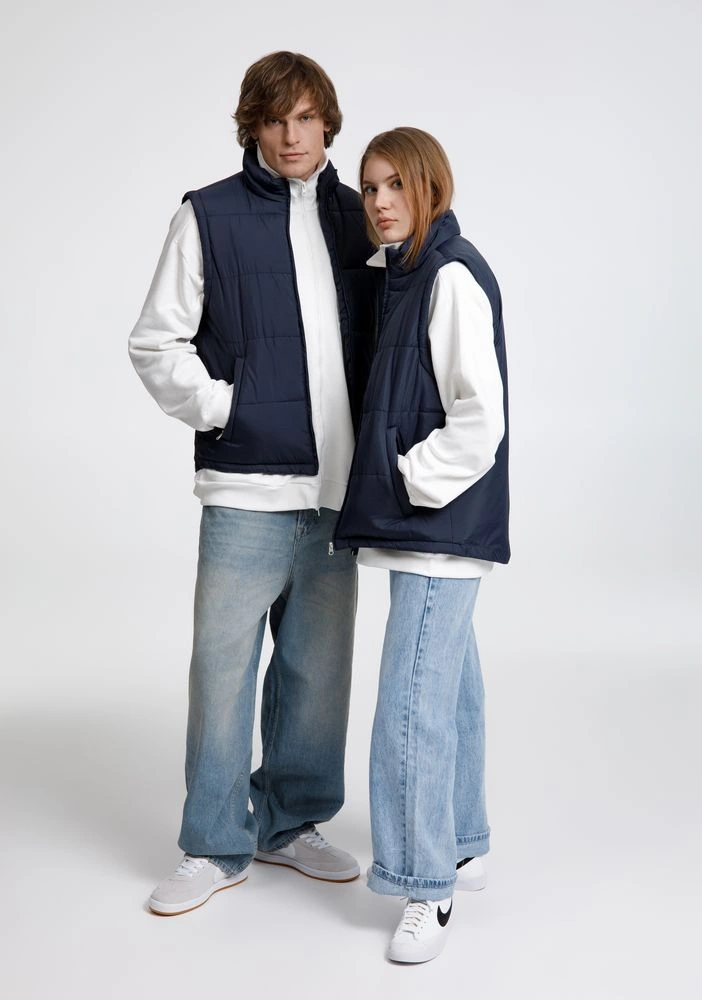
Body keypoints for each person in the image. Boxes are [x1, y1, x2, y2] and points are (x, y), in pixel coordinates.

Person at [129, 51, 376, 916]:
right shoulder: (208, 214)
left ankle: (290, 824)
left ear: (327, 123)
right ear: (253, 127)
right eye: (275, 120)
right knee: (222, 670)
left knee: (317, 674)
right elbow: (155, 342)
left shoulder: (358, 217)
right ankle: (212, 843)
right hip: (244, 489)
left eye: (306, 118)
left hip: (337, 495)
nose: (291, 135)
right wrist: (226, 406)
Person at [332, 127, 510, 963]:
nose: (378, 202)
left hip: (436, 529)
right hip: (426, 529)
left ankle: (422, 881)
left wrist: (410, 478)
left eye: (395, 185)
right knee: (450, 685)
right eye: (370, 187)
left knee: (410, 702)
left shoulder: (450, 277)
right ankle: (463, 843)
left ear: (430, 186)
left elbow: (481, 419)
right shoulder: (404, 273)